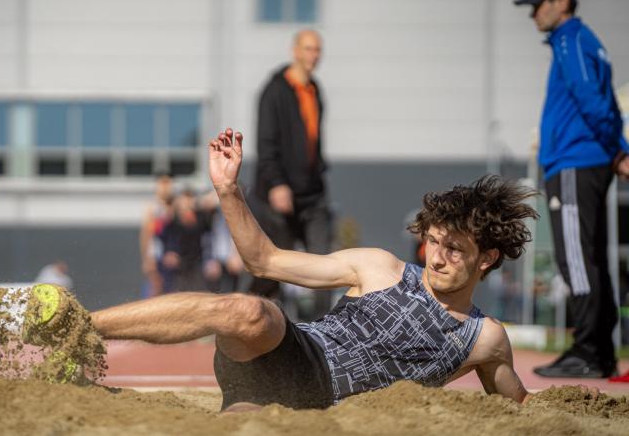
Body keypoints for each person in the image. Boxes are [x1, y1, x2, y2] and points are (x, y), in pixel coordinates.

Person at [87, 128, 537, 410]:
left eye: (453, 250)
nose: (435, 258)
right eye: (432, 242)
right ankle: (80, 326)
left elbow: (519, 406)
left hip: (301, 411)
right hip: (293, 355)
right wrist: (228, 191)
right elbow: (264, 260)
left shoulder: (485, 339)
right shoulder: (379, 267)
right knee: (251, 311)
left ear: (488, 258)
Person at [514, 0, 629, 378]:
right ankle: (599, 353)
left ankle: (586, 352)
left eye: (537, 5)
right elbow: (609, 103)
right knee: (591, 258)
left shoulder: (570, 40)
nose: (533, 15)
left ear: (561, 2)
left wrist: (616, 149)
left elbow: (593, 100)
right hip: (589, 160)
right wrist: (618, 152)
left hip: (574, 163)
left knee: (576, 259)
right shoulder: (588, 42)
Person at [252, 29, 333, 318]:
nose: (315, 55)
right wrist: (277, 184)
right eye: (309, 49)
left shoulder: (315, 90)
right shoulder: (274, 91)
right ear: (295, 50)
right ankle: (253, 321)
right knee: (275, 267)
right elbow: (266, 143)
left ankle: (322, 332)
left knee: (325, 264)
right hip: (279, 194)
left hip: (312, 194)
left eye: (318, 50)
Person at [139, 173, 174, 297]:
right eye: (162, 183)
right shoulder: (152, 208)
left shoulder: (175, 205)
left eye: (168, 183)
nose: (166, 187)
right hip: (156, 257)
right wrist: (147, 259)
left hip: (171, 258)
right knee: (153, 291)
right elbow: (146, 234)